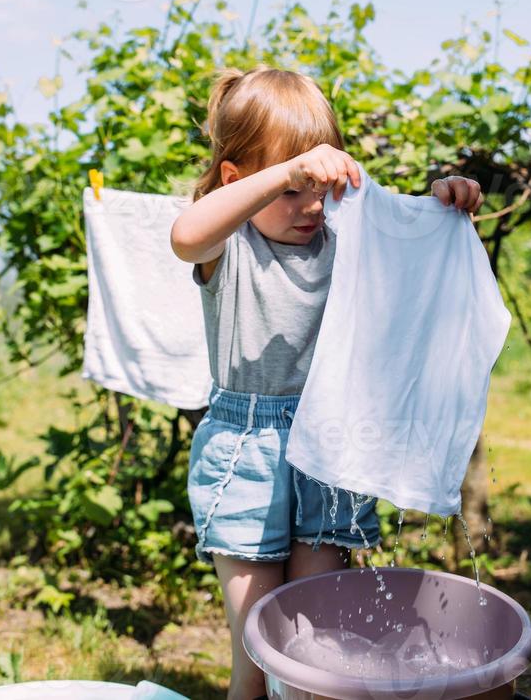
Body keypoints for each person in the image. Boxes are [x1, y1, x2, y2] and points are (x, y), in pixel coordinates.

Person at [170, 64, 483, 700]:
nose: (312, 204)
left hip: (332, 446)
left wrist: (444, 199)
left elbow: (411, 237)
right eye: (295, 190)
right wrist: (282, 175)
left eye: (320, 187)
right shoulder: (229, 249)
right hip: (248, 455)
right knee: (257, 656)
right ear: (239, 180)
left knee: (316, 649)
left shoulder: (343, 239)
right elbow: (185, 236)